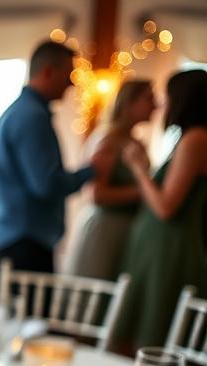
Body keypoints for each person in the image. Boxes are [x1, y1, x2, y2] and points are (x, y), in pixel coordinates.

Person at [0, 40, 102, 295]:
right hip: (21, 242)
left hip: (9, 236)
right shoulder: (31, 116)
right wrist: (90, 171)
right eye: (68, 75)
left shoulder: (21, 111)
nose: (71, 83)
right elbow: (45, 184)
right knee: (26, 330)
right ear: (47, 72)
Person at [114, 69, 207, 350]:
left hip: (170, 249)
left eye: (167, 97)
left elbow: (166, 207)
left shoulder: (197, 140)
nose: (162, 104)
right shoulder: (189, 138)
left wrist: (139, 169)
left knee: (154, 335)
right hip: (158, 247)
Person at [67, 80, 156, 280]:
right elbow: (95, 194)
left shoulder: (135, 141)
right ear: (129, 103)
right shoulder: (108, 141)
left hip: (127, 229)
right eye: (148, 98)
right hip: (105, 231)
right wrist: (144, 192)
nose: (155, 105)